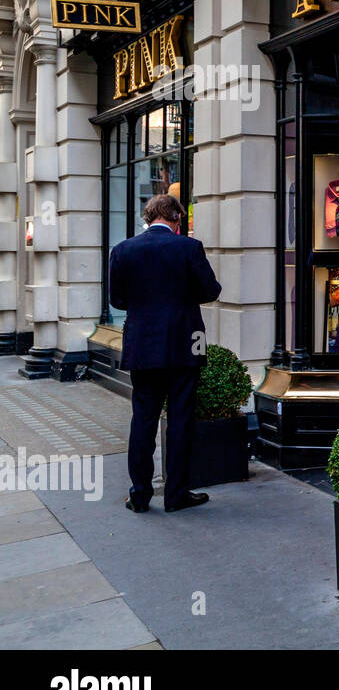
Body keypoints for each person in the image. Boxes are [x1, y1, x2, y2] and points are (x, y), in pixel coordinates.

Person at [108, 194, 222, 513]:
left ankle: (140, 494)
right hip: (185, 343)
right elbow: (211, 291)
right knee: (181, 419)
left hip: (142, 345)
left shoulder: (123, 250)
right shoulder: (189, 247)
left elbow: (117, 300)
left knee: (142, 419)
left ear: (148, 218)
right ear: (176, 220)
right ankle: (176, 494)